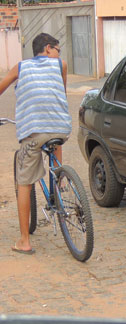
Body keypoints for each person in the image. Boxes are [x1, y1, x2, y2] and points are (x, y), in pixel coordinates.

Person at [0, 33, 71, 254]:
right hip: (61, 127)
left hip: (33, 132)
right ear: (48, 48)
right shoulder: (62, 65)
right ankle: (59, 181)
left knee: (25, 183)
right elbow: (61, 94)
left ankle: (24, 241)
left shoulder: (20, 68)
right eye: (58, 49)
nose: (59, 54)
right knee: (54, 135)